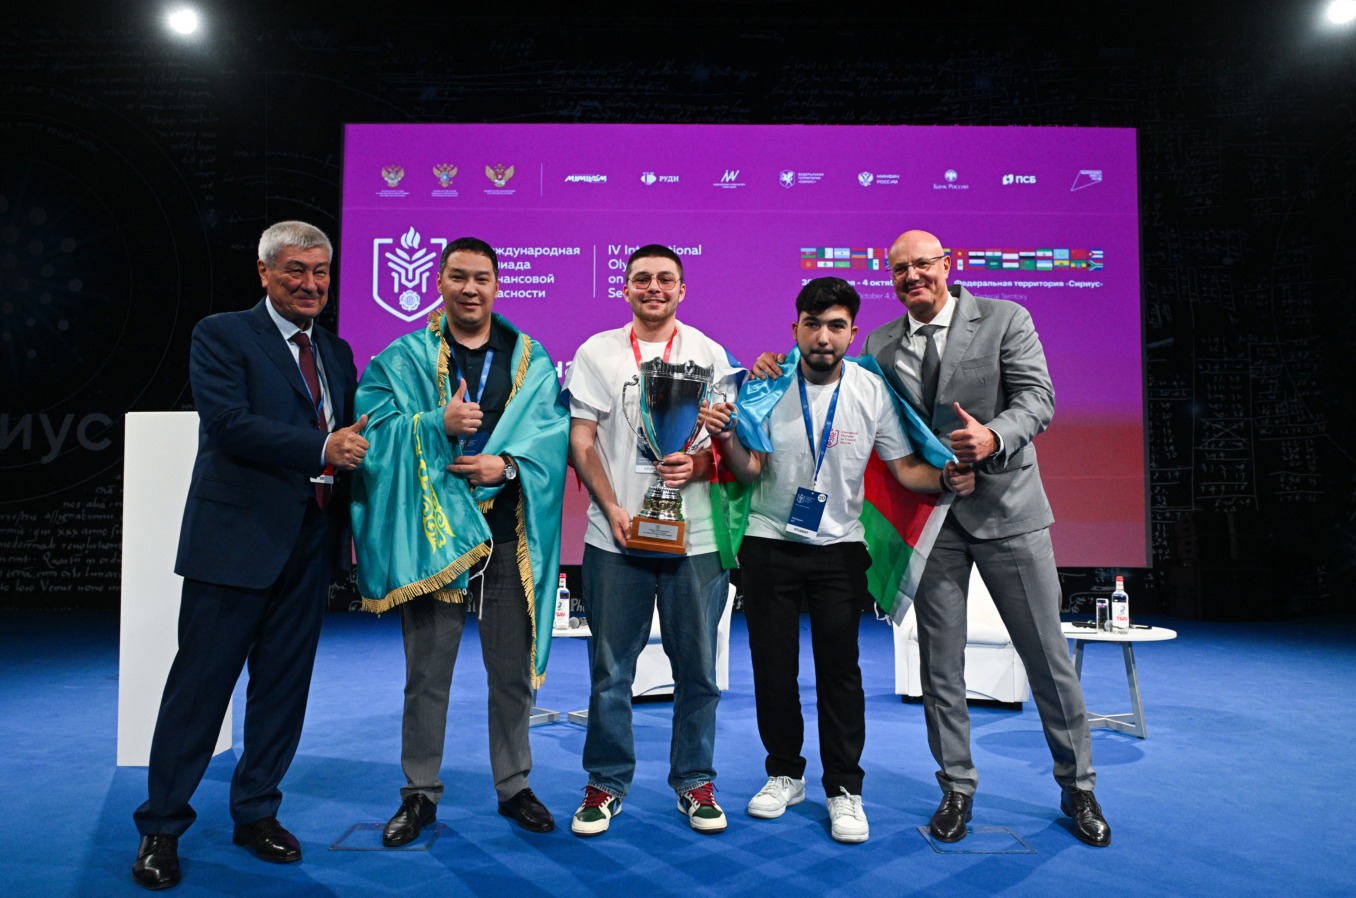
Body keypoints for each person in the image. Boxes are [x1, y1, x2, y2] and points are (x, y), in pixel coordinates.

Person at [132, 221, 367, 890]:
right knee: (199, 691)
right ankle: (161, 827)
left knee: (282, 691)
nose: (310, 284)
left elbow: (351, 436)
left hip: (308, 544)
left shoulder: (337, 351)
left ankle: (257, 812)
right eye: (296, 270)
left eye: (320, 272)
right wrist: (321, 448)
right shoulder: (222, 334)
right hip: (233, 545)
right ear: (264, 273)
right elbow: (228, 423)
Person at [704, 277, 973, 844]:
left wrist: (946, 477)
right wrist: (726, 438)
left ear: (852, 333)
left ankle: (844, 788)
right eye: (812, 325)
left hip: (840, 550)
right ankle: (784, 774)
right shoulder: (766, 385)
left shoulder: (871, 390)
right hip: (769, 543)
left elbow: (905, 471)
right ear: (795, 328)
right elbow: (749, 470)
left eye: (835, 326)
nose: (823, 337)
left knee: (840, 673)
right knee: (773, 670)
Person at [351, 238, 569, 844]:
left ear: (497, 285)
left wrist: (509, 466)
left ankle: (515, 785)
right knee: (426, 674)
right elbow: (372, 432)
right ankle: (419, 794)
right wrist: (434, 425)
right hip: (435, 538)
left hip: (506, 535)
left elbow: (552, 434)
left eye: (482, 278)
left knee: (510, 672)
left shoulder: (530, 358)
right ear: (440, 282)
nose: (471, 289)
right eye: (458, 277)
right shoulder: (402, 358)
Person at [563, 244, 741, 837]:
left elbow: (726, 449)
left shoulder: (710, 355)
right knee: (611, 670)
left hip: (697, 539)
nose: (654, 288)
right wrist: (611, 505)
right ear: (626, 288)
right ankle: (605, 782)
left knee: (699, 672)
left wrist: (699, 465)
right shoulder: (598, 352)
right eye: (642, 279)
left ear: (682, 290)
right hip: (616, 536)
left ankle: (695, 780)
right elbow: (582, 440)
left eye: (666, 279)